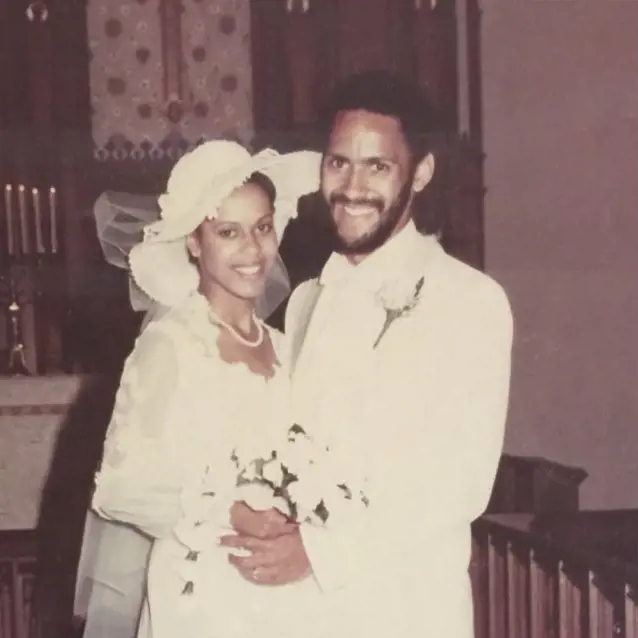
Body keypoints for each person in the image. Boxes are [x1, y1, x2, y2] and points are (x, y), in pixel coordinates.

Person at [219, 70, 514, 637]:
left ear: (421, 173)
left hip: (407, 608)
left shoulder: (470, 300)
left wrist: (319, 552)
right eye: (338, 163)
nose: (351, 188)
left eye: (378, 166)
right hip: (304, 613)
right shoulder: (306, 301)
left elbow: (461, 483)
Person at [77, 139, 323, 638]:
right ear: (194, 242)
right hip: (203, 594)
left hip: (285, 594)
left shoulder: (286, 346)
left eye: (262, 227)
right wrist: (229, 511)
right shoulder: (172, 346)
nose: (252, 250)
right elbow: (120, 489)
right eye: (228, 232)